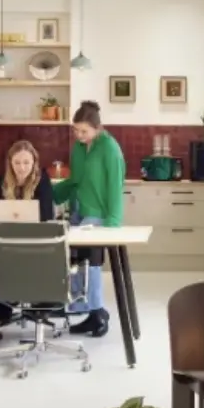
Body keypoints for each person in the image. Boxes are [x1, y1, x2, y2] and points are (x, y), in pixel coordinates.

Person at [52, 100, 126, 338]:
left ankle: (97, 313)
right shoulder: (78, 148)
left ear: (97, 127)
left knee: (91, 263)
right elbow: (75, 180)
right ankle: (82, 307)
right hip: (79, 209)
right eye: (76, 130)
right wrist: (48, 193)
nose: (79, 135)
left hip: (99, 214)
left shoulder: (110, 148)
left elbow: (115, 186)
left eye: (84, 131)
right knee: (74, 259)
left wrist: (113, 223)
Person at [0, 140, 55, 340]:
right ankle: (2, 308)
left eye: (26, 162)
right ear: (10, 163)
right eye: (17, 163)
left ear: (34, 162)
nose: (22, 168)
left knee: (24, 271)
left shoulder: (42, 180)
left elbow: (45, 216)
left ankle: (0, 310)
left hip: (35, 247)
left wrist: (5, 212)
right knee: (5, 270)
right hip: (7, 249)